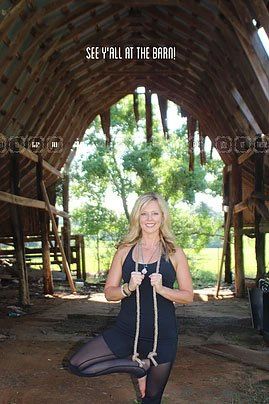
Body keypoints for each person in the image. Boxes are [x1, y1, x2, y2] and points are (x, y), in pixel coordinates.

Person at [68, 192, 193, 403]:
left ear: (163, 217)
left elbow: (188, 296)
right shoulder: (124, 251)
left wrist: (163, 290)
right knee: (78, 364)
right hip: (126, 331)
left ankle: (144, 367)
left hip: (162, 336)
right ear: (137, 217)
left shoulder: (174, 253)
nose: (150, 219)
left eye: (155, 213)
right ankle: (139, 368)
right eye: (144, 213)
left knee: (151, 399)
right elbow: (109, 293)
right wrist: (127, 288)